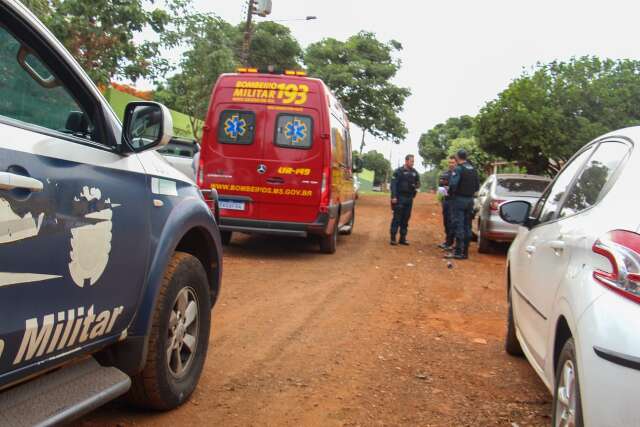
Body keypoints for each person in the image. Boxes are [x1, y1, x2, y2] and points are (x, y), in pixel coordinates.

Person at [446, 149, 480, 259]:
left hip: (459, 200)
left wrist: (450, 193)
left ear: (457, 157)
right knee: (467, 226)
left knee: (459, 225)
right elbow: (477, 187)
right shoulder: (473, 169)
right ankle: (465, 252)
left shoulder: (459, 169)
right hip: (470, 200)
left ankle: (459, 252)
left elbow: (453, 184)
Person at [390, 154, 421, 245]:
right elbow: (393, 185)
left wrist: (416, 186)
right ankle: (393, 238)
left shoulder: (415, 173)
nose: (413, 163)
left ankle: (402, 238)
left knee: (406, 218)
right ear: (406, 161)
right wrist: (394, 197)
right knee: (397, 218)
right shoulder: (398, 171)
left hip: (409, 198)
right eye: (411, 161)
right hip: (399, 198)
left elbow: (418, 184)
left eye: (413, 161)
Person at [437, 155, 457, 250]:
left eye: (453, 162)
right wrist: (446, 193)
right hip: (446, 201)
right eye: (450, 162)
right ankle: (447, 241)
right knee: (446, 222)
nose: (451, 164)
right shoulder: (444, 174)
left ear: (456, 163)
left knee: (453, 223)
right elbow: (441, 188)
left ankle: (451, 242)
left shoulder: (458, 174)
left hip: (456, 202)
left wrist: (450, 189)